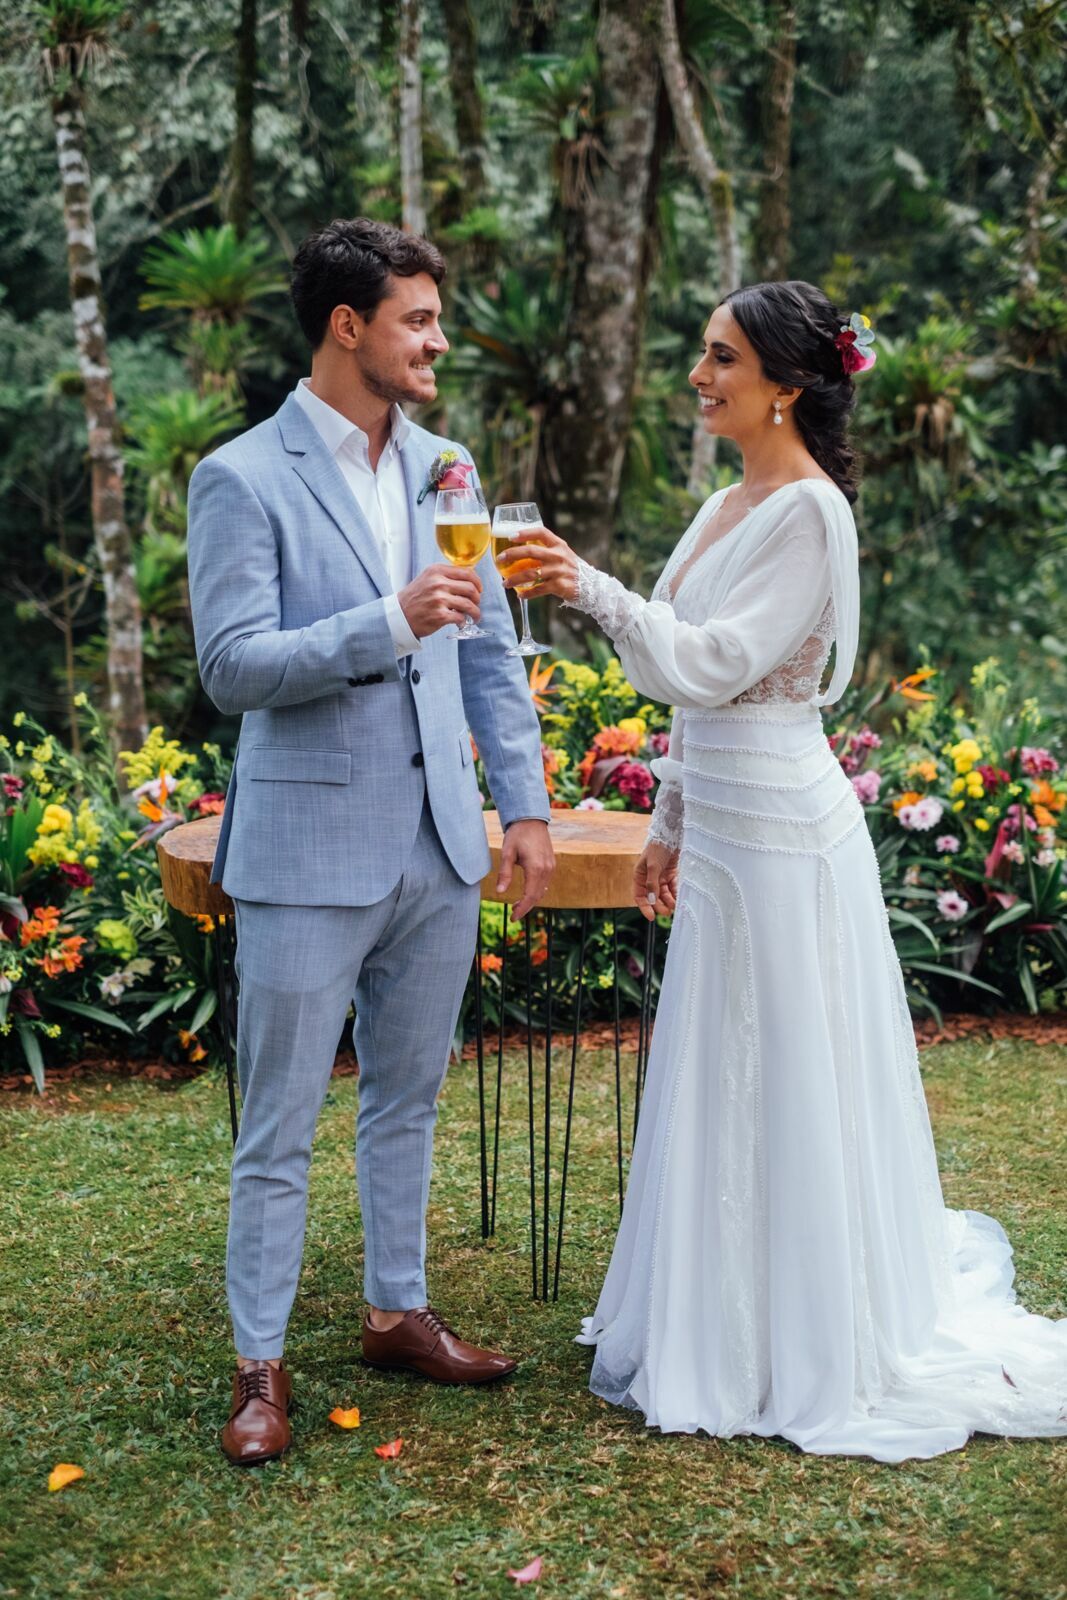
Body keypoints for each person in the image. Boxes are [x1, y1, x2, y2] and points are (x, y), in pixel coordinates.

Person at [499, 280, 1067, 1462]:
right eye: (703, 353)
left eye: (721, 358)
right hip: (718, 834)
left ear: (787, 385)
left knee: (791, 1072)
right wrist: (666, 818)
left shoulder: (811, 516)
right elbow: (693, 691)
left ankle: (802, 1337)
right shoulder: (720, 502)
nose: (700, 374)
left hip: (786, 837)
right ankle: (712, 1314)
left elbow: (713, 659)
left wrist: (584, 584)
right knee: (717, 1061)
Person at [187, 218, 554, 1466]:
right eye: (418, 320)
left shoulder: (447, 466)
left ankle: (398, 1309)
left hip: (440, 848)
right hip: (304, 853)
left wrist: (525, 806)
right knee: (278, 1122)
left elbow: (492, 655)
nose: (437, 340)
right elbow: (231, 669)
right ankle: (258, 1365)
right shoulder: (240, 476)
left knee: (409, 1100)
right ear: (349, 328)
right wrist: (385, 621)